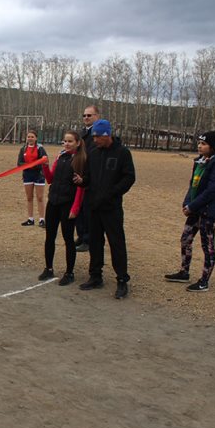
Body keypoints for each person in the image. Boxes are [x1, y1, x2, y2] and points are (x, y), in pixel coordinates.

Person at [73, 119, 135, 299]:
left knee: (116, 243)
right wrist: (82, 181)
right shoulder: (93, 152)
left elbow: (129, 178)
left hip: (111, 207)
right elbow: (89, 177)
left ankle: (122, 280)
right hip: (93, 206)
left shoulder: (122, 153)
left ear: (106, 135)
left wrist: (112, 193)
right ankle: (95, 275)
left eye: (97, 137)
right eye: (93, 137)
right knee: (95, 241)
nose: (95, 140)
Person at [164, 131, 215, 292]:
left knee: (207, 246)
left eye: (204, 144)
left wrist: (192, 206)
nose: (200, 146)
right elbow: (192, 185)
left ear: (212, 146)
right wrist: (187, 203)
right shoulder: (199, 161)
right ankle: (184, 272)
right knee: (185, 239)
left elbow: (212, 190)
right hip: (195, 209)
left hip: (208, 211)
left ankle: (204, 281)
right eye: (199, 143)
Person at [38, 131, 86, 286]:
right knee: (49, 237)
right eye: (64, 141)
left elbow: (80, 188)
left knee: (68, 239)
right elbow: (50, 179)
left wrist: (75, 208)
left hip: (68, 204)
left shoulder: (80, 160)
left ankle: (69, 272)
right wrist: (45, 167)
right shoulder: (60, 157)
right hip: (53, 202)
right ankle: (49, 268)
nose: (66, 144)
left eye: (70, 141)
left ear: (78, 143)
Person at [75, 105, 100, 252]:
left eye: (89, 115)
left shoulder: (98, 134)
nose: (86, 118)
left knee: (88, 209)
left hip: (91, 176)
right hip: (80, 174)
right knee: (79, 207)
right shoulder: (82, 133)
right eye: (84, 115)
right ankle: (81, 235)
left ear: (97, 116)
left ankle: (88, 239)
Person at [18, 130, 47, 227]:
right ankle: (30, 219)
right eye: (28, 137)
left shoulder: (40, 148)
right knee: (29, 197)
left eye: (32, 137)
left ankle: (42, 219)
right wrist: (28, 166)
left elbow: (44, 160)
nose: (30, 138)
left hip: (38, 175)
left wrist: (34, 166)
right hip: (27, 175)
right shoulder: (23, 148)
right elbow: (19, 163)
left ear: (36, 138)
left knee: (40, 197)